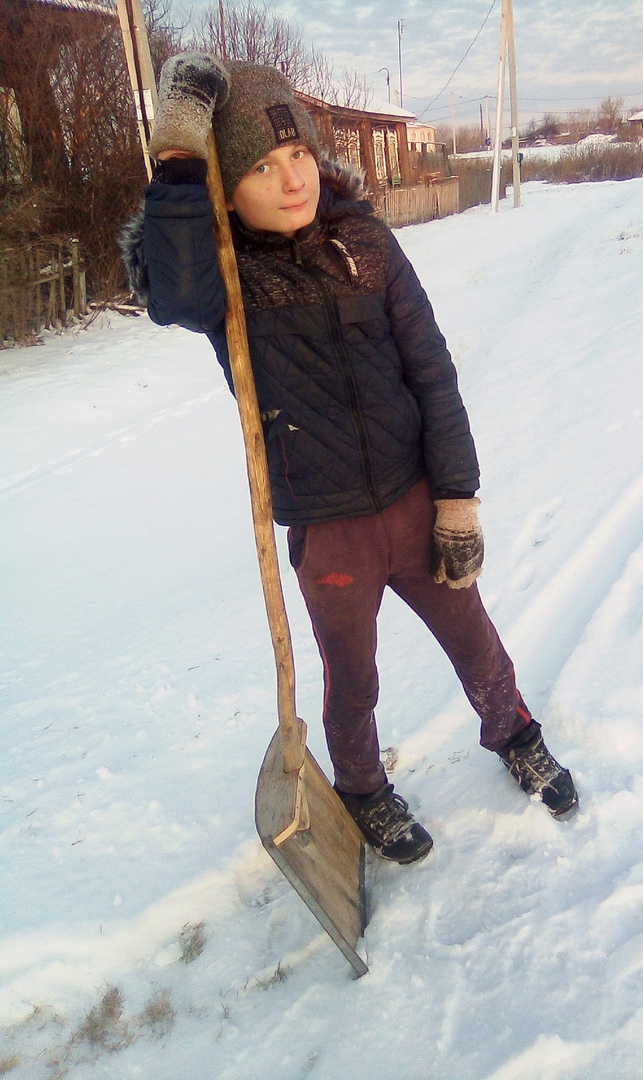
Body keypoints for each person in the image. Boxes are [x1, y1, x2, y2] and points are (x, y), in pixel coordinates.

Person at [121, 53, 578, 865]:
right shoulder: (227, 280)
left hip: (414, 498)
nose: (292, 179)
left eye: (298, 153)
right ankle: (363, 788)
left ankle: (514, 732)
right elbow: (174, 291)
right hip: (329, 528)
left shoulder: (365, 241)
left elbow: (430, 368)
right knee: (352, 677)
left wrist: (457, 497)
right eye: (260, 168)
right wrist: (183, 159)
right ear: (226, 191)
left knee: (475, 638)